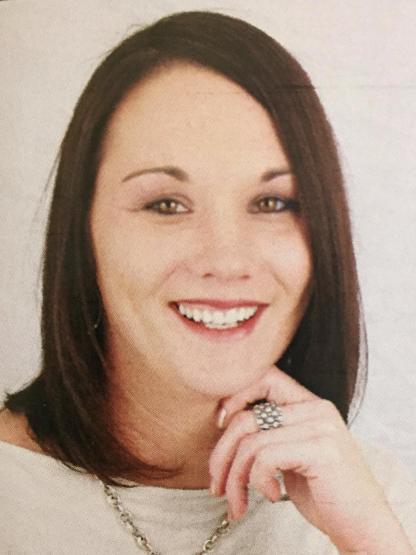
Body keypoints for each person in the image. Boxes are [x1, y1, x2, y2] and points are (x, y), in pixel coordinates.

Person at [0, 10, 415, 555]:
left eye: (272, 203)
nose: (225, 260)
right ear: (83, 233)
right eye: (166, 204)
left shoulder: (381, 506)